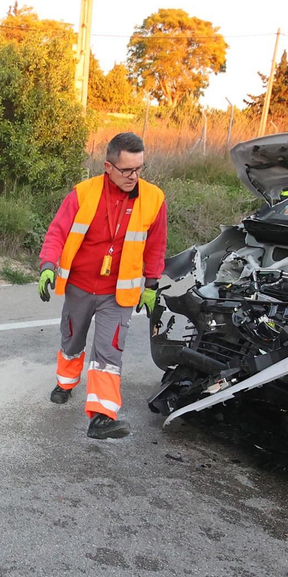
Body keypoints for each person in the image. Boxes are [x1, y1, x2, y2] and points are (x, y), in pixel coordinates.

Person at [36, 132, 167, 439]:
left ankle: (102, 416)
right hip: (79, 286)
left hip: (118, 293)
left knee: (109, 351)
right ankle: (66, 383)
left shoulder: (154, 199)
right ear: (108, 166)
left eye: (139, 168)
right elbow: (57, 232)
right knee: (72, 340)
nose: (134, 176)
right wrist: (47, 266)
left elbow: (156, 246)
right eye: (127, 170)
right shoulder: (83, 193)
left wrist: (151, 285)